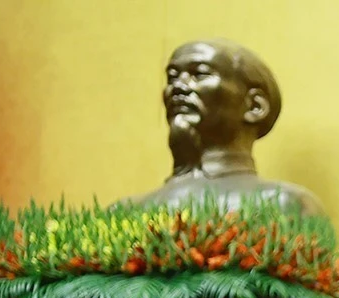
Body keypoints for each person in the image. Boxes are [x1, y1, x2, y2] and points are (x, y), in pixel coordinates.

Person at [125, 39, 325, 216]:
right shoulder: (125, 212)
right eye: (172, 77)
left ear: (255, 106)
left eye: (199, 74)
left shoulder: (283, 204)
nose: (178, 86)